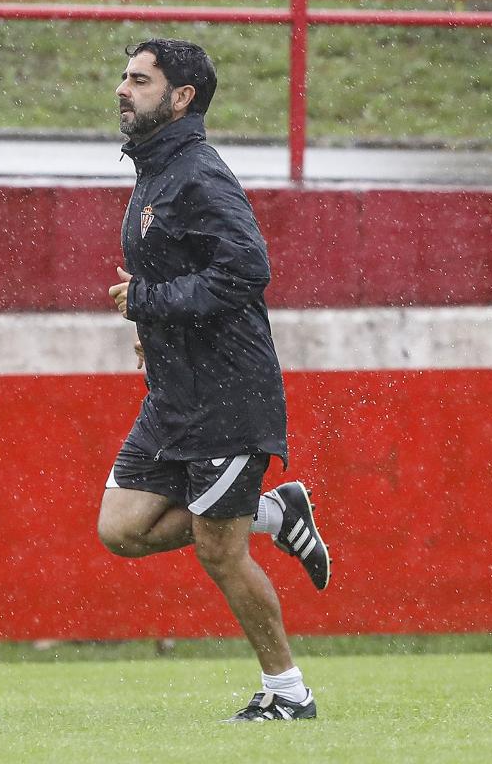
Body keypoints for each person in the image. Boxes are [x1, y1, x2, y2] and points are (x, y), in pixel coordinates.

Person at [99, 38, 330, 722]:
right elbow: (182, 270)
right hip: (175, 396)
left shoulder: (199, 173)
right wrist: (153, 329)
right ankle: (276, 512)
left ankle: (289, 693)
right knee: (121, 529)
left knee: (218, 550)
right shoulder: (154, 170)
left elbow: (244, 272)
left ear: (180, 99)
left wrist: (147, 303)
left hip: (229, 396)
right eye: (124, 76)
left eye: (139, 80)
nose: (122, 88)